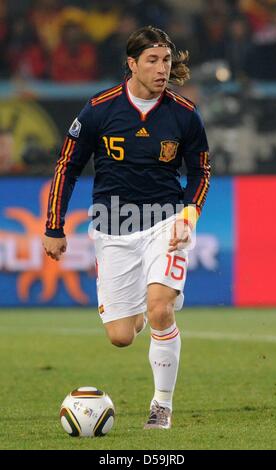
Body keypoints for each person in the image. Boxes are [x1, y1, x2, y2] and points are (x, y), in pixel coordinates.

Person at [42, 26, 211, 429]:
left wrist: (189, 215)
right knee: (121, 335)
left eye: (167, 60)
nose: (161, 68)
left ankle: (161, 406)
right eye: (152, 60)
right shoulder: (99, 109)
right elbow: (68, 165)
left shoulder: (184, 114)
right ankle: (151, 300)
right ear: (132, 64)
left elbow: (201, 171)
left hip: (165, 222)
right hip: (113, 226)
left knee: (159, 310)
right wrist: (54, 225)